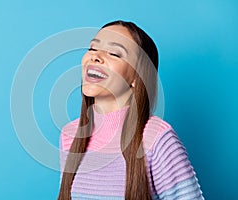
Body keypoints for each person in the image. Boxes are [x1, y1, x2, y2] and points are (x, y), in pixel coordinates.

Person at [58, 20, 204, 199]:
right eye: (93, 49)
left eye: (114, 53)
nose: (95, 57)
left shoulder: (157, 137)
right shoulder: (70, 135)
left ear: (136, 76)